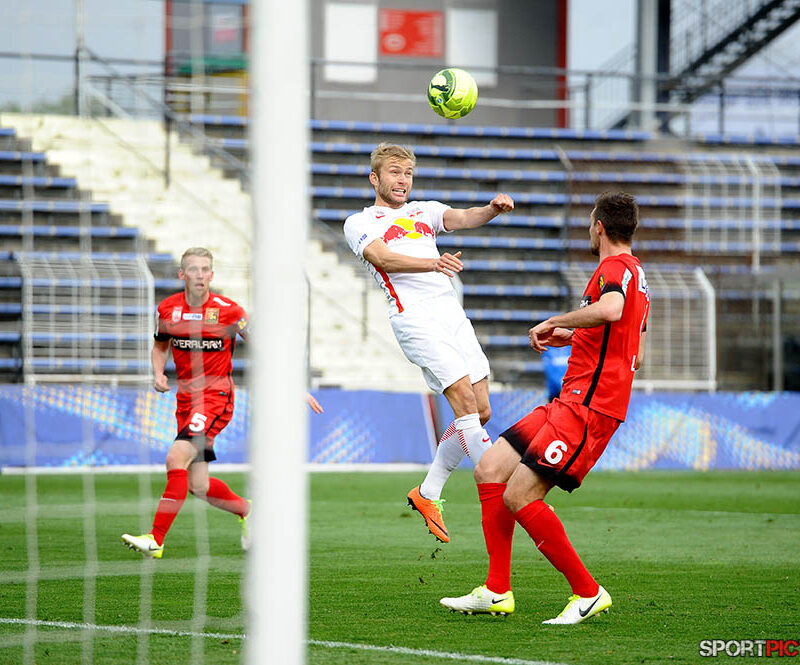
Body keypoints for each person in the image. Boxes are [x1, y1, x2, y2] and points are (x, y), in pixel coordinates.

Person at [440, 192, 650, 624]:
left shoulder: (613, 269)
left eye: (591, 223)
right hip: (569, 401)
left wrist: (555, 322)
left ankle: (587, 592)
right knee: (491, 468)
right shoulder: (638, 276)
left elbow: (610, 311)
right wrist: (574, 337)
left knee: (520, 495)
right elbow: (634, 346)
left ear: (599, 228)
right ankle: (497, 590)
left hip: (589, 407)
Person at [343, 143, 514, 543]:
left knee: (483, 410)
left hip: (451, 315)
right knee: (463, 399)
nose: (402, 180)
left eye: (407, 174)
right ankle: (508, 488)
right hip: (415, 319)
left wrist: (491, 209)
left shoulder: (425, 210)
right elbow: (383, 258)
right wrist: (433, 263)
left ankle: (428, 492)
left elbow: (464, 217)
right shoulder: (360, 221)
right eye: (394, 173)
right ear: (375, 178)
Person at [122, 247, 323, 559]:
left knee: (176, 458)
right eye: (193, 269)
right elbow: (160, 345)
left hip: (216, 398)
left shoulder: (229, 311)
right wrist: (158, 373)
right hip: (185, 400)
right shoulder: (168, 310)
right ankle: (247, 510)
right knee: (198, 486)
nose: (200, 275)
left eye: (205, 270)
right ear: (182, 274)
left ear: (212, 275)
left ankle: (155, 539)